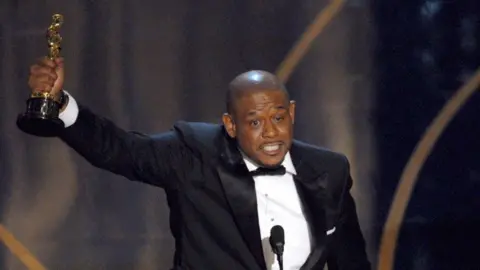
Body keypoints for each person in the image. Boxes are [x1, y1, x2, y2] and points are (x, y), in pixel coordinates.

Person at [26, 57, 371, 270]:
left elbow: (351, 263)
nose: (271, 133)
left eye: (279, 118)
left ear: (292, 113)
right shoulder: (194, 156)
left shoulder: (330, 171)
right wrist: (60, 104)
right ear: (231, 125)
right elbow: (120, 150)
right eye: (254, 122)